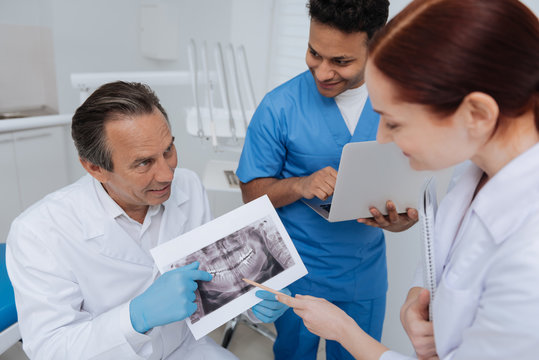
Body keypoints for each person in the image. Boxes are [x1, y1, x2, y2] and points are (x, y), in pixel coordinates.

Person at [277, 0, 539, 359]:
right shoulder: (474, 170)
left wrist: (345, 333)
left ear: (476, 114)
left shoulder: (530, 258)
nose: (382, 138)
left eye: (395, 122)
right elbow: (449, 252)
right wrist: (420, 293)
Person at [5, 81, 288, 359]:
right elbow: (50, 349)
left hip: (185, 349)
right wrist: (135, 317)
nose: (167, 174)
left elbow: (211, 278)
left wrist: (252, 300)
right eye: (144, 163)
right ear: (94, 168)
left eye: (168, 150)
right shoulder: (39, 232)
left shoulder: (188, 185)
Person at [236, 0, 418, 359]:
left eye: (341, 61)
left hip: (362, 276)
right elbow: (251, 194)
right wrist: (299, 185)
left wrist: (398, 223)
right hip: (294, 272)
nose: (322, 72)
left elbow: (407, 196)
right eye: (314, 53)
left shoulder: (402, 104)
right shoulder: (279, 107)